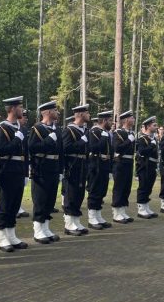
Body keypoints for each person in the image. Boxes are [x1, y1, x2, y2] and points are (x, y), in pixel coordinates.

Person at [0, 96, 29, 251]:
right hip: (7, 169)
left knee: (15, 203)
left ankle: (11, 234)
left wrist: (27, 171)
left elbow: (25, 152)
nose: (22, 110)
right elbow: (0, 150)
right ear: (13, 109)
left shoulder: (20, 128)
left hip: (19, 169)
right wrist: (16, 140)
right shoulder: (2, 128)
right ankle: (2, 237)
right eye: (20, 107)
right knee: (5, 203)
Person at [29, 100, 63, 243]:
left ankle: (46, 227)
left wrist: (61, 169)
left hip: (53, 167)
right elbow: (32, 148)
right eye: (55, 110)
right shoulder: (37, 129)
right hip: (41, 168)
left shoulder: (57, 129)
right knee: (40, 199)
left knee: (50, 199)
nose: (57, 113)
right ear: (48, 112)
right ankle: (38, 230)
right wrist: (49, 140)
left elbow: (61, 151)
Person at [63, 105, 91, 234]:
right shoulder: (69, 130)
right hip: (73, 165)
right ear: (80, 114)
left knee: (79, 193)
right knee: (71, 193)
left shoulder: (84, 130)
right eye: (86, 112)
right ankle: (69, 224)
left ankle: (76, 220)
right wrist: (81, 142)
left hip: (82, 164)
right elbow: (66, 148)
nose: (89, 115)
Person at [86, 110, 114, 229]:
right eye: (110, 120)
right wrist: (103, 138)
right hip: (96, 165)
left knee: (102, 190)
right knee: (94, 191)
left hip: (104, 164)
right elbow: (93, 148)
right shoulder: (94, 131)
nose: (111, 122)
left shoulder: (104, 132)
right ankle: (92, 218)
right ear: (104, 121)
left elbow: (110, 151)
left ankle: (98, 215)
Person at [111, 110, 135, 223]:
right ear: (126, 120)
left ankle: (123, 210)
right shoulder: (118, 133)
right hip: (120, 162)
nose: (133, 120)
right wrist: (128, 141)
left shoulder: (131, 133)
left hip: (129, 162)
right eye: (132, 118)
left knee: (126, 187)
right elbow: (117, 148)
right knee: (119, 187)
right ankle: (116, 212)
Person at [135, 116, 159, 218]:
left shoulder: (152, 138)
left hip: (152, 165)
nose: (156, 127)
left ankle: (146, 206)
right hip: (145, 166)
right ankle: (141, 208)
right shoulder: (142, 139)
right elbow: (142, 152)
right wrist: (152, 145)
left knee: (149, 187)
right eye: (154, 125)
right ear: (148, 126)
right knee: (143, 187)